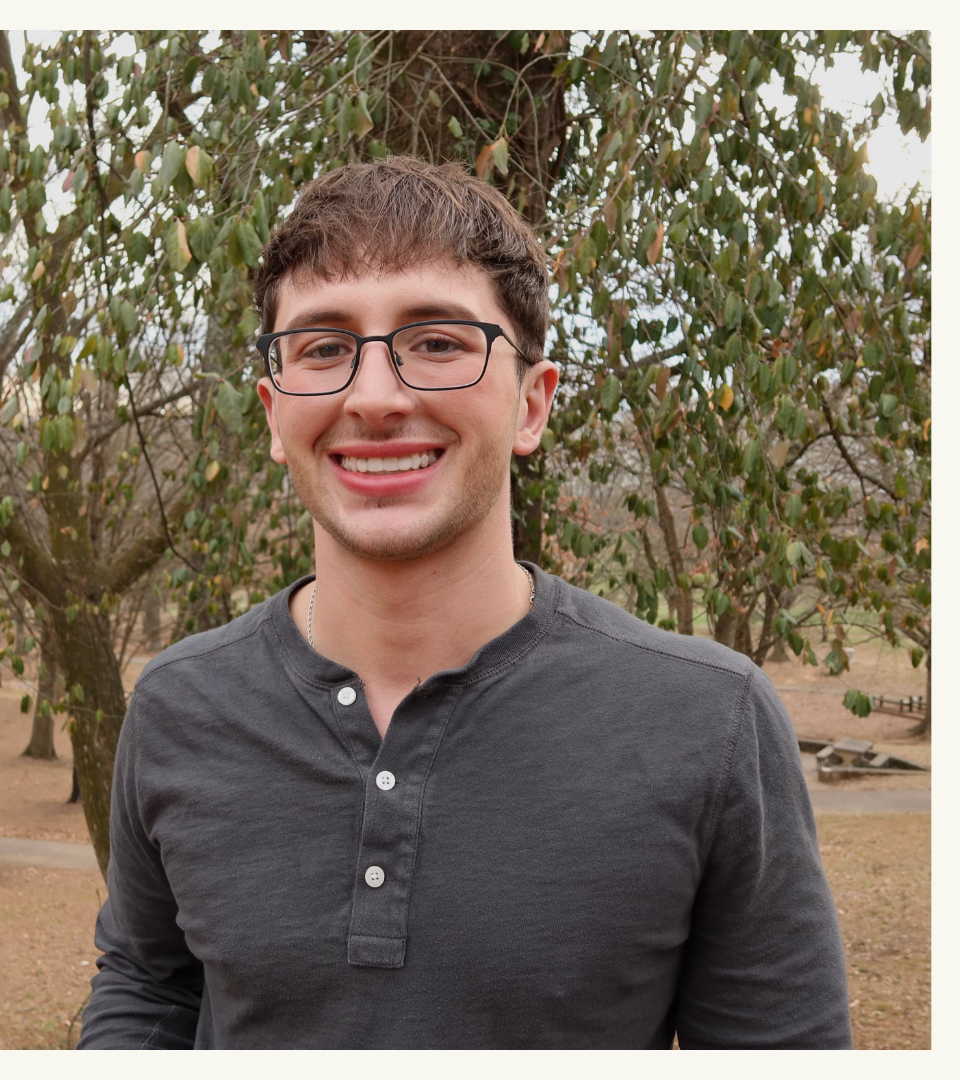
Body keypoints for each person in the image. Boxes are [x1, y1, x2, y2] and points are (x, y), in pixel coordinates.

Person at [78, 156, 851, 1050]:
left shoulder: (710, 724)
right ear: (273, 411)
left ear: (532, 403)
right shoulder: (178, 705)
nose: (374, 397)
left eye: (438, 342)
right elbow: (147, 987)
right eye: (324, 348)